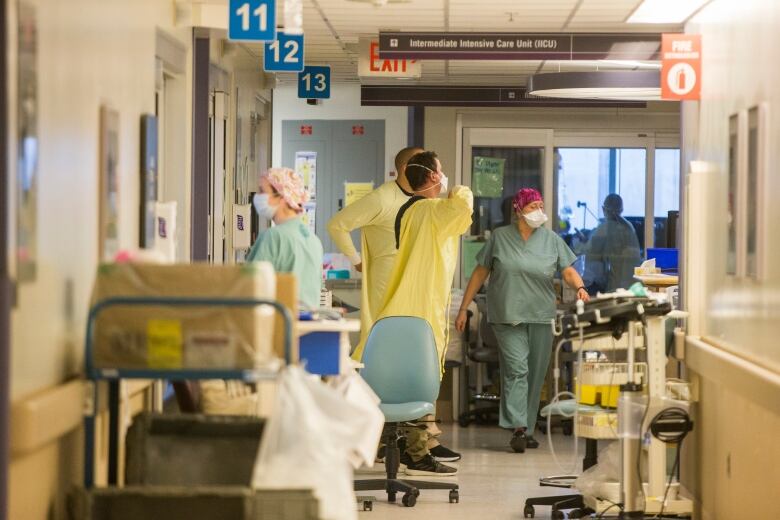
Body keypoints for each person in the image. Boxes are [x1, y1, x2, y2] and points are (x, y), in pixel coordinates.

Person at [327, 147, 461, 464]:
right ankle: (393, 443)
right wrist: (358, 261)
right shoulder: (383, 199)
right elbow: (337, 224)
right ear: (404, 168)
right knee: (388, 367)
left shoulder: (422, 202)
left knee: (422, 363)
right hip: (389, 295)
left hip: (416, 292)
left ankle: (422, 439)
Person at [455, 188, 589, 453]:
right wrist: (463, 307)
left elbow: (568, 270)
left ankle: (526, 428)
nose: (539, 211)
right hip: (507, 314)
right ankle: (517, 427)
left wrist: (581, 287)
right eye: (532, 206)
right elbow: (480, 272)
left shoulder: (551, 239)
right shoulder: (499, 238)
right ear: (518, 210)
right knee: (517, 369)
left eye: (541, 205)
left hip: (540, 314)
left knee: (536, 373)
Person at [369, 150, 473, 476]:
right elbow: (463, 210)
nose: (443, 177)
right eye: (440, 171)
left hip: (403, 306)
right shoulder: (429, 211)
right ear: (431, 177)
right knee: (420, 383)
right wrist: (460, 189)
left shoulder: (408, 210)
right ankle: (415, 451)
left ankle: (400, 447)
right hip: (420, 310)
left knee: (405, 381)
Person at [247, 167, 323, 308]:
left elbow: (250, 286)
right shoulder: (313, 240)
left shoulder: (273, 237)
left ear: (282, 197)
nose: (258, 196)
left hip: (276, 323)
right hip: (306, 324)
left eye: (263, 191)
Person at [584, 193, 642, 292]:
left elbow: (592, 261)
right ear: (622, 210)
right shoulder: (629, 228)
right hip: (633, 286)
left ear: (603, 209)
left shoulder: (602, 230)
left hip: (613, 287)